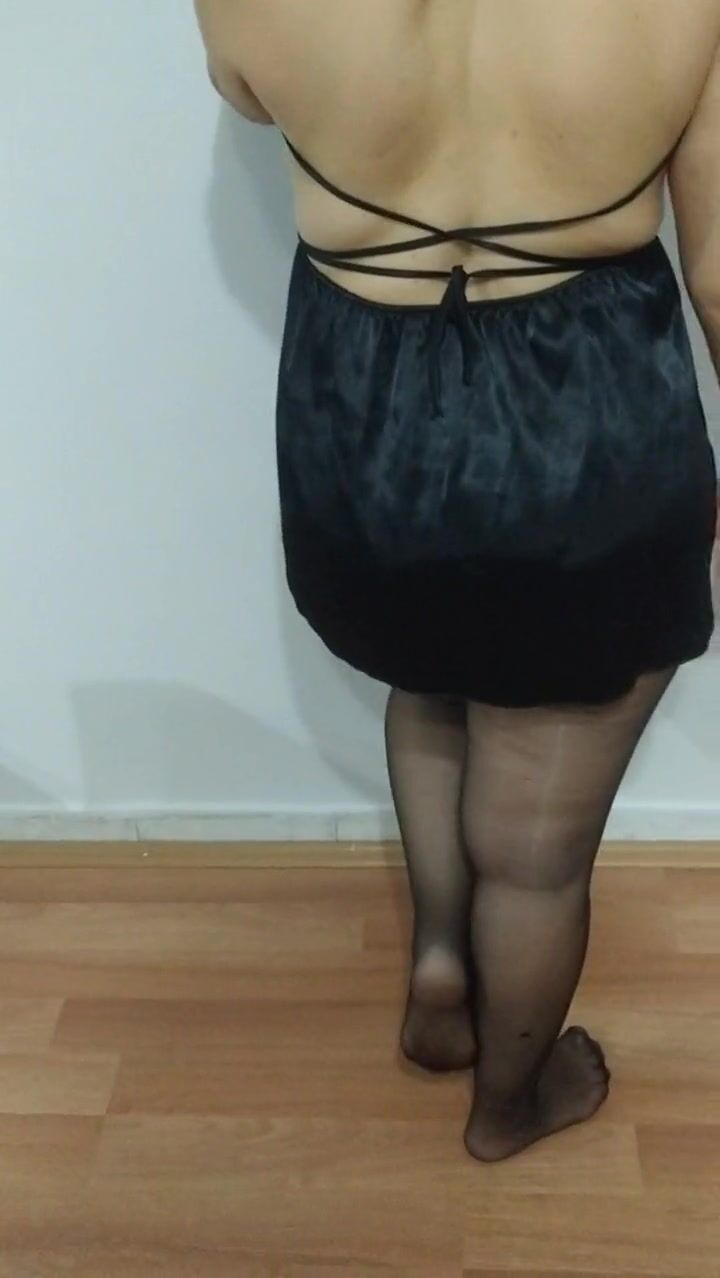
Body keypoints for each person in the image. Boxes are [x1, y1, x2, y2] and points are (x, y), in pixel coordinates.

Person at [194, 0, 720, 1162]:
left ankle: (443, 972)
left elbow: (246, 92)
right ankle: (512, 1103)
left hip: (363, 419)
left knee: (429, 679)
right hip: (591, 429)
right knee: (536, 855)